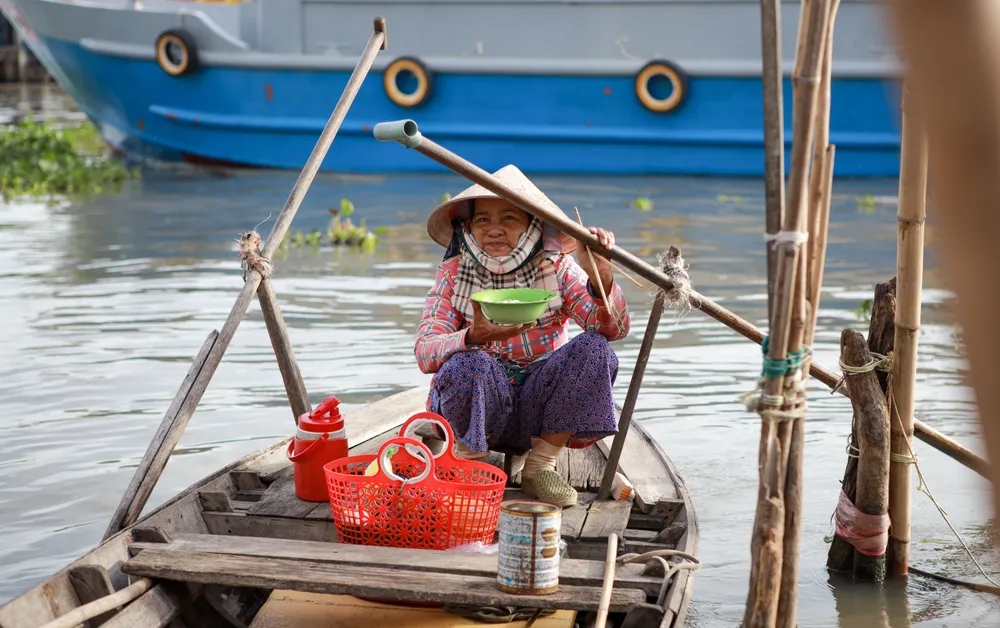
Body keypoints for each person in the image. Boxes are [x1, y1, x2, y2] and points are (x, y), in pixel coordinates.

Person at [413, 165, 631, 507]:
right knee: (468, 362)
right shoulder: (454, 273)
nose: (495, 230)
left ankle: (540, 467)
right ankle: (472, 462)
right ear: (468, 226)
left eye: (509, 219)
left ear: (532, 225)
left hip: (539, 414)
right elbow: (425, 352)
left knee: (594, 348)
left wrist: (600, 276)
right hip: (481, 411)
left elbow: (612, 330)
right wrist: (470, 337)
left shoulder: (555, 266)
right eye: (483, 220)